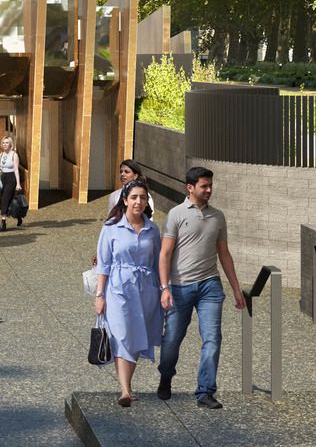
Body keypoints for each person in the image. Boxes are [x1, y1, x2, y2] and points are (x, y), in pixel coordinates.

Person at [156, 164, 247, 410]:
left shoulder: (218, 216)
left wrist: (236, 289)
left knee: (212, 338)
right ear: (190, 187)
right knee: (172, 339)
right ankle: (166, 376)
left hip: (210, 286)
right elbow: (164, 254)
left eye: (210, 185)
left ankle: (205, 391)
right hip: (179, 286)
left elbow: (224, 254)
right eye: (204, 186)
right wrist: (164, 288)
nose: (209, 190)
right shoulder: (176, 215)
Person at [93, 180, 166, 405]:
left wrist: (164, 289)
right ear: (125, 200)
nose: (138, 202)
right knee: (121, 334)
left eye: (143, 198)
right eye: (134, 197)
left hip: (146, 289)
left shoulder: (152, 229)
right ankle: (125, 390)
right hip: (118, 288)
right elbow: (103, 264)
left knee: (137, 336)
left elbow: (158, 263)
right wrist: (100, 294)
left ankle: (128, 385)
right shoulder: (111, 227)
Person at [0, 123, 27, 228]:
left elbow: (16, 169)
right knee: (8, 199)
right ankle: (18, 217)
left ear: (10, 144)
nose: (5, 144)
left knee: (5, 198)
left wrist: (18, 184)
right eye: (3, 143)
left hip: (11, 178)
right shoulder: (2, 154)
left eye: (7, 143)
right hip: (3, 177)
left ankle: (3, 221)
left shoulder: (14, 155)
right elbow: (1, 169)